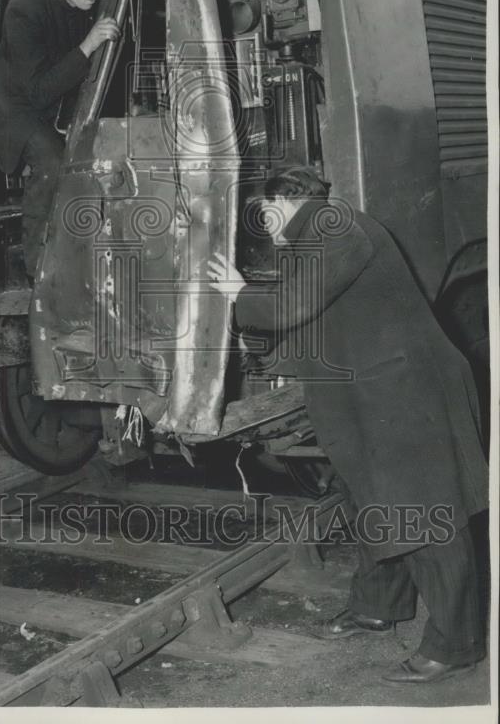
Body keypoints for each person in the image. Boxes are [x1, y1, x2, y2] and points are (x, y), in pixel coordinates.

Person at [208, 165, 487, 684]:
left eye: (263, 215)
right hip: (378, 392)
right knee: (370, 500)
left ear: (282, 203)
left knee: (426, 514)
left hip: (409, 393)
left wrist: (238, 293)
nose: (263, 227)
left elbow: (292, 306)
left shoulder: (335, 225)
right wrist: (259, 348)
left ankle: (456, 646)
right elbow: (315, 322)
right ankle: (379, 606)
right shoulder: (315, 239)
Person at [0, 0, 122, 279]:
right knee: (51, 161)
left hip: (57, 93)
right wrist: (88, 46)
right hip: (19, 107)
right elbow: (38, 92)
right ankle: (39, 270)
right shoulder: (24, 10)